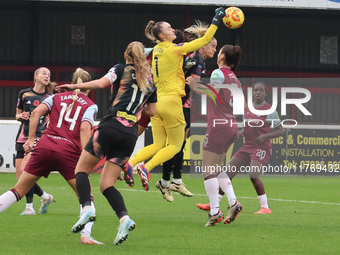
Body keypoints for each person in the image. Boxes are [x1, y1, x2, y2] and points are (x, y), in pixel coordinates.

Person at [56, 41, 157, 246]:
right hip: (130, 133)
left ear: (125, 55)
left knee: (81, 171)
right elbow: (152, 111)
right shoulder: (150, 81)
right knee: (106, 184)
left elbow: (102, 83)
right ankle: (124, 219)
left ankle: (87, 208)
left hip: (110, 126)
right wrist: (136, 108)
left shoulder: (120, 69)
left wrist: (76, 86)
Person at [125, 7, 226, 192]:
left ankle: (130, 164)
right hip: (172, 103)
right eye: (169, 28)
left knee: (157, 144)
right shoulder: (175, 49)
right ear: (162, 35)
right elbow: (203, 41)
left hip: (156, 104)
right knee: (175, 145)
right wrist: (216, 20)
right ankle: (146, 168)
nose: (173, 30)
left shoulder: (156, 50)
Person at [0, 68, 102, 244]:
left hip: (45, 146)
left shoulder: (55, 97)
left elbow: (36, 113)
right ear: (88, 85)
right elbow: (85, 128)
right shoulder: (90, 105)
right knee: (86, 196)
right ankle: (85, 235)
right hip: (68, 152)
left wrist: (31, 140)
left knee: (18, 190)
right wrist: (86, 154)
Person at [198, 82, 284, 214]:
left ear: (265, 93)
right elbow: (250, 125)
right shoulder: (247, 108)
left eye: (261, 91)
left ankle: (265, 207)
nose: (258, 93)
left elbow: (280, 130)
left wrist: (265, 136)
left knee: (253, 175)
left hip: (261, 148)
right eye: (256, 90)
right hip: (247, 146)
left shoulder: (270, 110)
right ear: (253, 92)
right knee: (226, 174)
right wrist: (243, 131)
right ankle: (214, 203)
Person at [158, 22, 218, 202]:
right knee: (176, 144)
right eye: (213, 46)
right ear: (205, 44)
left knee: (180, 143)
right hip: (180, 104)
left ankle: (174, 180)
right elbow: (194, 85)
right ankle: (166, 181)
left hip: (184, 104)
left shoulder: (196, 58)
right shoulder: (197, 58)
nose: (215, 50)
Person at [190, 44, 244, 226]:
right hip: (231, 125)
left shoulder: (218, 73)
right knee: (217, 167)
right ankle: (233, 203)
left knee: (207, 168)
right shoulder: (235, 79)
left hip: (219, 126)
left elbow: (213, 93)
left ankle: (214, 211)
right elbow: (240, 107)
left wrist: (195, 86)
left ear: (221, 57)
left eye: (218, 50)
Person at [14, 67, 54, 215]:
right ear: (36, 76)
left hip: (38, 138)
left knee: (26, 172)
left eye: (49, 74)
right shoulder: (24, 94)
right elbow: (17, 115)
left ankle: (29, 207)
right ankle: (45, 196)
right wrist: (21, 116)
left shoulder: (50, 98)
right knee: (20, 177)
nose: (47, 76)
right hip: (22, 137)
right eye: (44, 73)